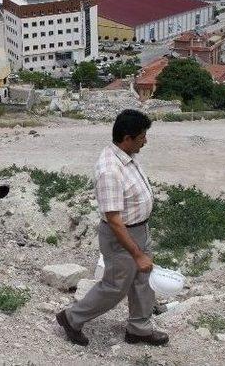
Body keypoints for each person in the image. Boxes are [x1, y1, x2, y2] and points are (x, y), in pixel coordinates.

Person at [56, 109, 169, 347]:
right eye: (141, 137)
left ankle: (139, 328)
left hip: (139, 229)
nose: (145, 141)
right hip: (122, 236)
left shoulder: (126, 157)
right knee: (115, 287)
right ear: (127, 138)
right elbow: (115, 220)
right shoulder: (110, 169)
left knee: (144, 280)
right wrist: (137, 254)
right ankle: (71, 318)